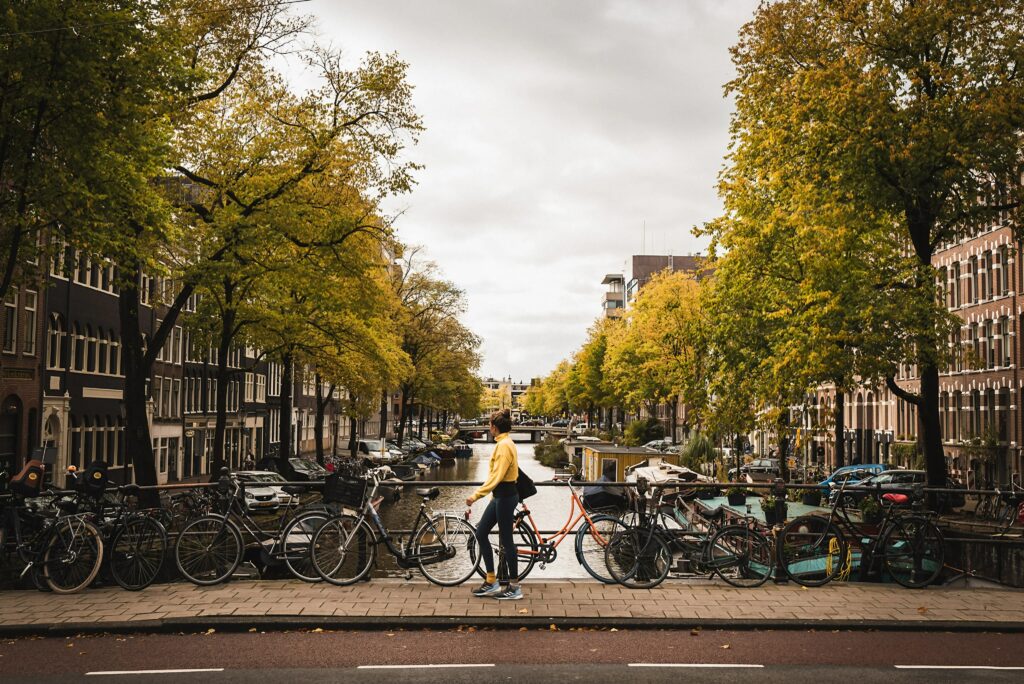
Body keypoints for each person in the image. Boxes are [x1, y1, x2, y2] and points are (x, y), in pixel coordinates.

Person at [466, 409, 522, 600]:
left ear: (494, 428)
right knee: (481, 533)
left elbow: (496, 477)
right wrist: (490, 498)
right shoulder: (503, 443)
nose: (489, 428)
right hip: (499, 497)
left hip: (505, 497)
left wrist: (476, 495)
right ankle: (491, 581)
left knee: (507, 541)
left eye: (490, 425)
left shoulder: (504, 446)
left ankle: (514, 587)